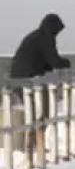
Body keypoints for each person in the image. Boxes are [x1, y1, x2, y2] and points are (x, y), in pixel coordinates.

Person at [8, 13, 71, 159]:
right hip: (27, 80)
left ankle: (31, 144)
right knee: (41, 111)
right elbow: (54, 61)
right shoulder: (45, 38)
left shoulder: (36, 36)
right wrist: (66, 63)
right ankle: (32, 145)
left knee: (35, 112)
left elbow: (43, 60)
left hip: (18, 79)